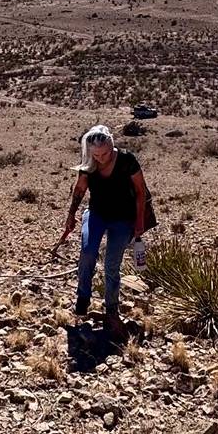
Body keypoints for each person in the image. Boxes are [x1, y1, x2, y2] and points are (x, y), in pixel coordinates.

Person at [53, 123, 151, 338]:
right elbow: (80, 189)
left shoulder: (127, 161)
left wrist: (139, 221)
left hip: (123, 218)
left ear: (111, 146)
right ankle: (82, 298)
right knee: (87, 252)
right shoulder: (90, 163)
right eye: (96, 155)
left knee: (111, 263)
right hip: (97, 213)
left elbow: (140, 190)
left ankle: (112, 310)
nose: (100, 158)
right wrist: (71, 215)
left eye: (104, 153)